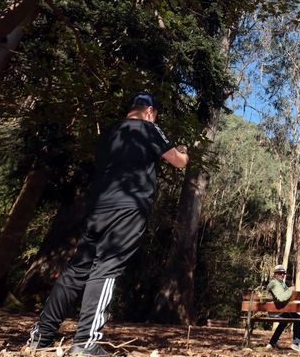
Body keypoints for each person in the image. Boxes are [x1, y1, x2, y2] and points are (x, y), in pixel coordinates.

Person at [26, 93, 189, 357]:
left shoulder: (110, 131)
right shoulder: (149, 128)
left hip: (98, 206)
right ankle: (86, 342)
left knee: (77, 268)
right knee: (107, 268)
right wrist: (183, 151)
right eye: (155, 115)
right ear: (149, 111)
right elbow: (178, 162)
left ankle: (40, 336)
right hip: (129, 207)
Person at [265, 264, 300, 352]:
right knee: (297, 318)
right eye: (280, 273)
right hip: (276, 311)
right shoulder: (274, 283)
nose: (282, 275)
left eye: (284, 273)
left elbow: (284, 294)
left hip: (279, 310)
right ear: (275, 274)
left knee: (285, 321)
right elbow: (281, 298)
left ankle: (271, 343)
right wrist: (290, 289)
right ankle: (295, 344)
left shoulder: (280, 283)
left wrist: (289, 289)